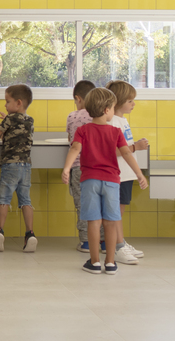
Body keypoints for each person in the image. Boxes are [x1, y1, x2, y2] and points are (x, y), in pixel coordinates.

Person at [60, 87, 147, 275]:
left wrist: (66, 168)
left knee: (94, 221)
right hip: (112, 182)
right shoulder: (115, 132)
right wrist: (139, 174)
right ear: (107, 110)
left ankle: (94, 262)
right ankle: (110, 262)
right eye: (113, 107)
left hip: (90, 181)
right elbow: (126, 153)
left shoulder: (83, 130)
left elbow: (74, 149)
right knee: (110, 221)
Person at [106, 81, 150, 265]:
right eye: (130, 101)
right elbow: (112, 151)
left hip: (125, 174)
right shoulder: (112, 122)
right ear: (118, 102)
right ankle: (118, 247)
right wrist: (135, 147)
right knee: (116, 212)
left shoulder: (122, 121)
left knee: (119, 211)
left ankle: (120, 243)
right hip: (117, 175)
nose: (134, 104)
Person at [0, 84, 37, 253]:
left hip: (10, 165)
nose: (5, 105)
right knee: (26, 200)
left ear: (18, 103)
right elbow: (20, 132)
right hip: (26, 166)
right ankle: (30, 234)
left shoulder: (9, 120)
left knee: (4, 199)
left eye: (7, 101)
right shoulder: (30, 120)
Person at [64, 79, 96, 252]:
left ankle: (86, 242)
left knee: (82, 205)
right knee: (98, 204)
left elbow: (71, 139)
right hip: (96, 168)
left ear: (78, 98)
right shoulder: (99, 116)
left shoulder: (72, 116)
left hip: (78, 167)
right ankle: (103, 241)